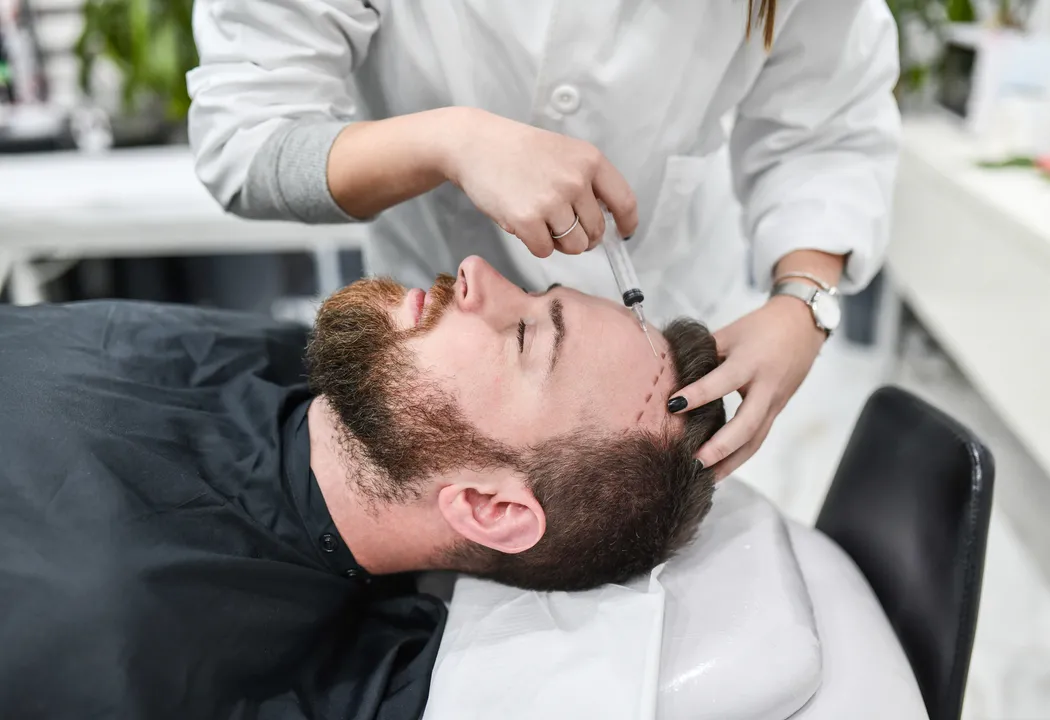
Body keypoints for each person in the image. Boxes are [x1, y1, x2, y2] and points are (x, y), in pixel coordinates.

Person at [186, 0, 902, 480]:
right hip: (433, 345)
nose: (483, 281)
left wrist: (803, 300)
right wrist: (448, 142)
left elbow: (829, 124)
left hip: (686, 287)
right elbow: (248, 140)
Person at [0, 256, 725, 719]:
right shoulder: (297, 362)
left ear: (489, 507)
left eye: (526, 336)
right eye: (534, 292)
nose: (477, 271)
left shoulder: (133, 634)